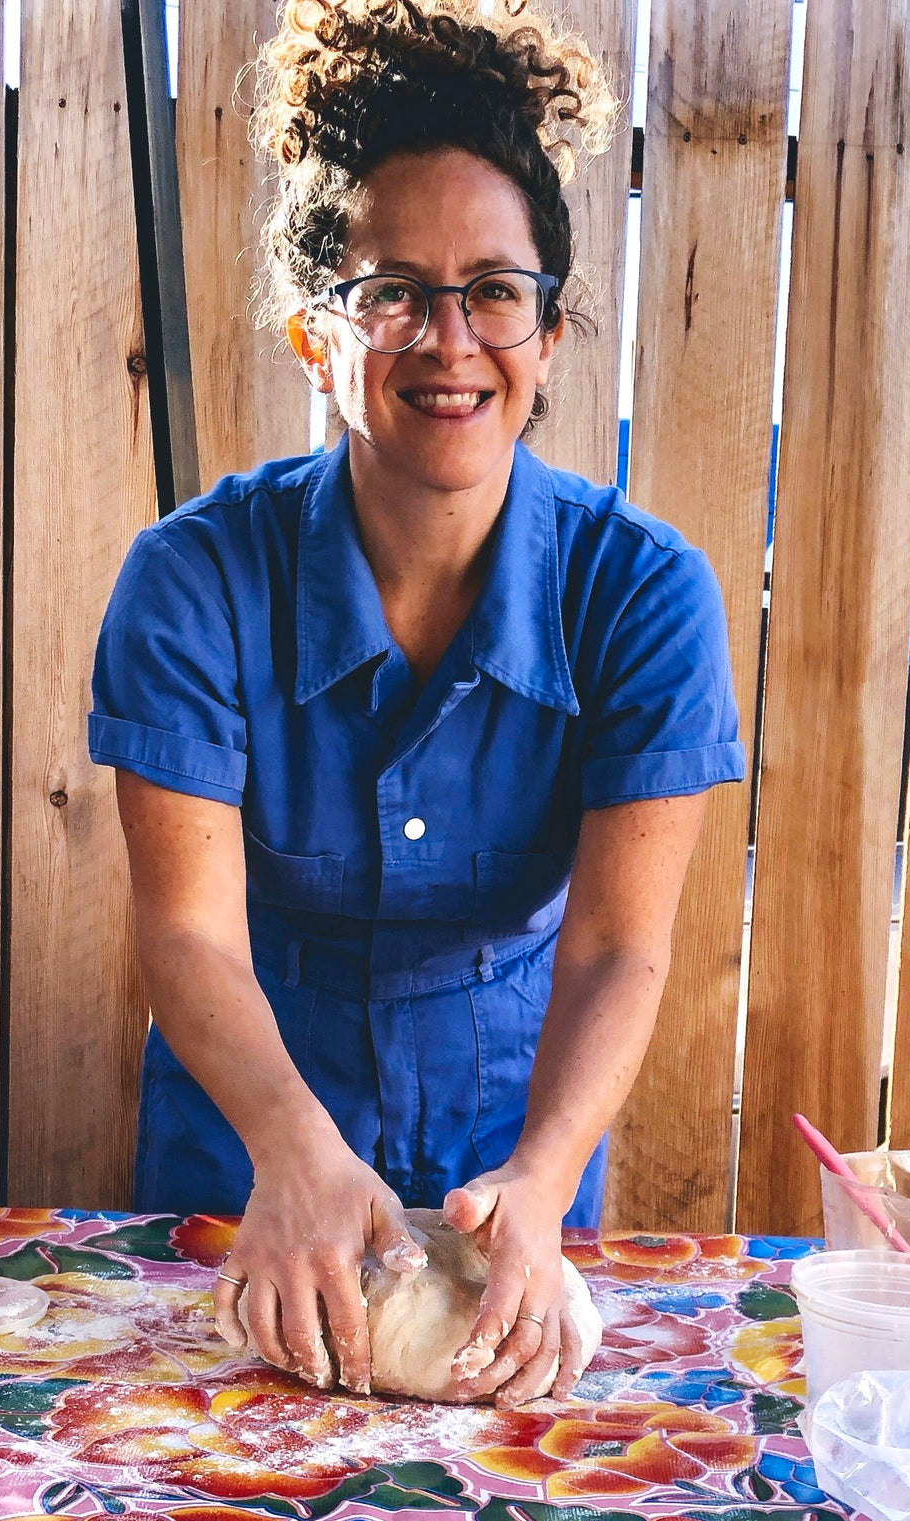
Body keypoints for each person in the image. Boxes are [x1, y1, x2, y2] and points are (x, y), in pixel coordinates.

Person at [87, 0, 745, 1408]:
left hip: (510, 1173)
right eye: (393, 291)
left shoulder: (644, 596)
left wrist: (546, 1174)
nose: (449, 340)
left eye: (494, 290)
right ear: (315, 334)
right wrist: (291, 1147)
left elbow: (619, 951)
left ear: (551, 329)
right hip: (245, 1155)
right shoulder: (191, 580)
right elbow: (189, 932)